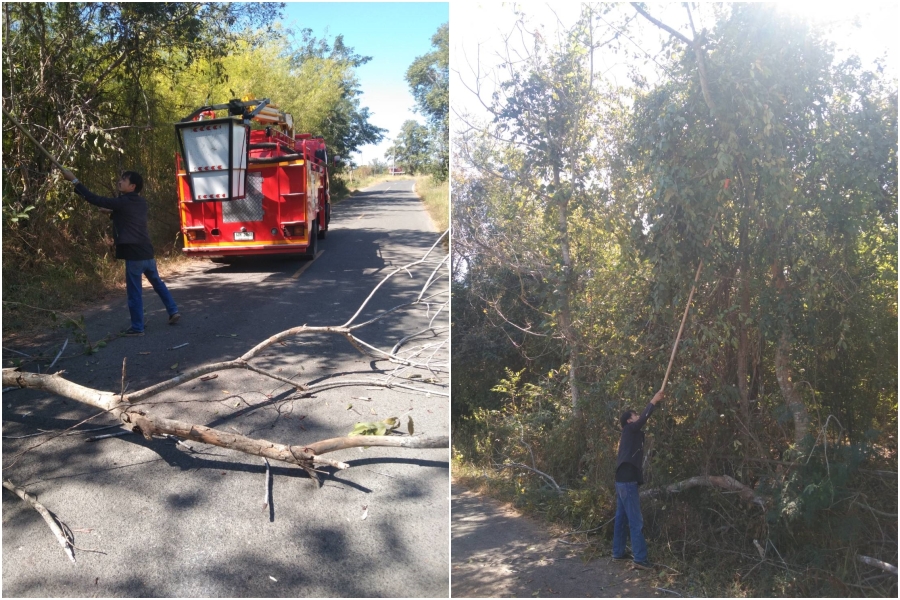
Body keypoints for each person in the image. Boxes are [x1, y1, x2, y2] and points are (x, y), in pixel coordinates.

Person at [61, 169, 180, 336]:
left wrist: (74, 181)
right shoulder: (141, 202)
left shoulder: (123, 201)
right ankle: (173, 311)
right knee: (157, 283)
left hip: (133, 253)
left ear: (132, 186)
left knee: (134, 292)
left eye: (123, 180)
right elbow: (129, 216)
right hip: (147, 251)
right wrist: (111, 212)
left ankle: (137, 327)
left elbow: (94, 199)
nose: (119, 182)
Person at [612, 389, 664, 569]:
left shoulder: (630, 433)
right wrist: (654, 401)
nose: (637, 417)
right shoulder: (629, 429)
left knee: (621, 517)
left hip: (622, 480)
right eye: (634, 415)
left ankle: (618, 552)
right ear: (629, 420)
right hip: (626, 481)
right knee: (635, 520)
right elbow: (642, 421)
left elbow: (640, 423)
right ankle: (640, 559)